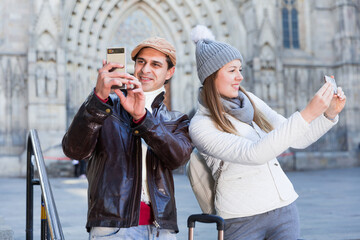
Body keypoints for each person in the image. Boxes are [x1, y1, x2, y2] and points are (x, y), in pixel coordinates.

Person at [189, 25, 346, 240]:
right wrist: (308, 113)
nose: (240, 77)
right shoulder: (200, 125)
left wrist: (327, 115)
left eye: (240, 69)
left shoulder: (250, 100)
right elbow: (254, 154)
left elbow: (296, 138)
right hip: (241, 217)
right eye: (232, 70)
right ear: (211, 76)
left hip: (283, 208)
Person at [62, 37, 193, 239]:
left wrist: (142, 118)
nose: (145, 69)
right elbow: (75, 150)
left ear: (170, 72)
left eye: (155, 64)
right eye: (141, 62)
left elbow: (177, 159)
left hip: (161, 229)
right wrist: (97, 99)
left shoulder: (176, 120)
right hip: (113, 227)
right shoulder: (106, 106)